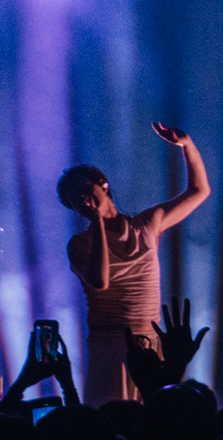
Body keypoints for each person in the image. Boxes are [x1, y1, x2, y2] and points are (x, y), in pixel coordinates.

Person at [59, 122, 210, 406]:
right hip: (109, 345)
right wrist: (98, 222)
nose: (81, 200)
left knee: (155, 414)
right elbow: (100, 281)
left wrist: (187, 145)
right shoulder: (80, 244)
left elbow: (199, 191)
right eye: (74, 200)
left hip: (151, 339)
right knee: (113, 416)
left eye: (83, 190)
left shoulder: (146, 225)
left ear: (103, 183)